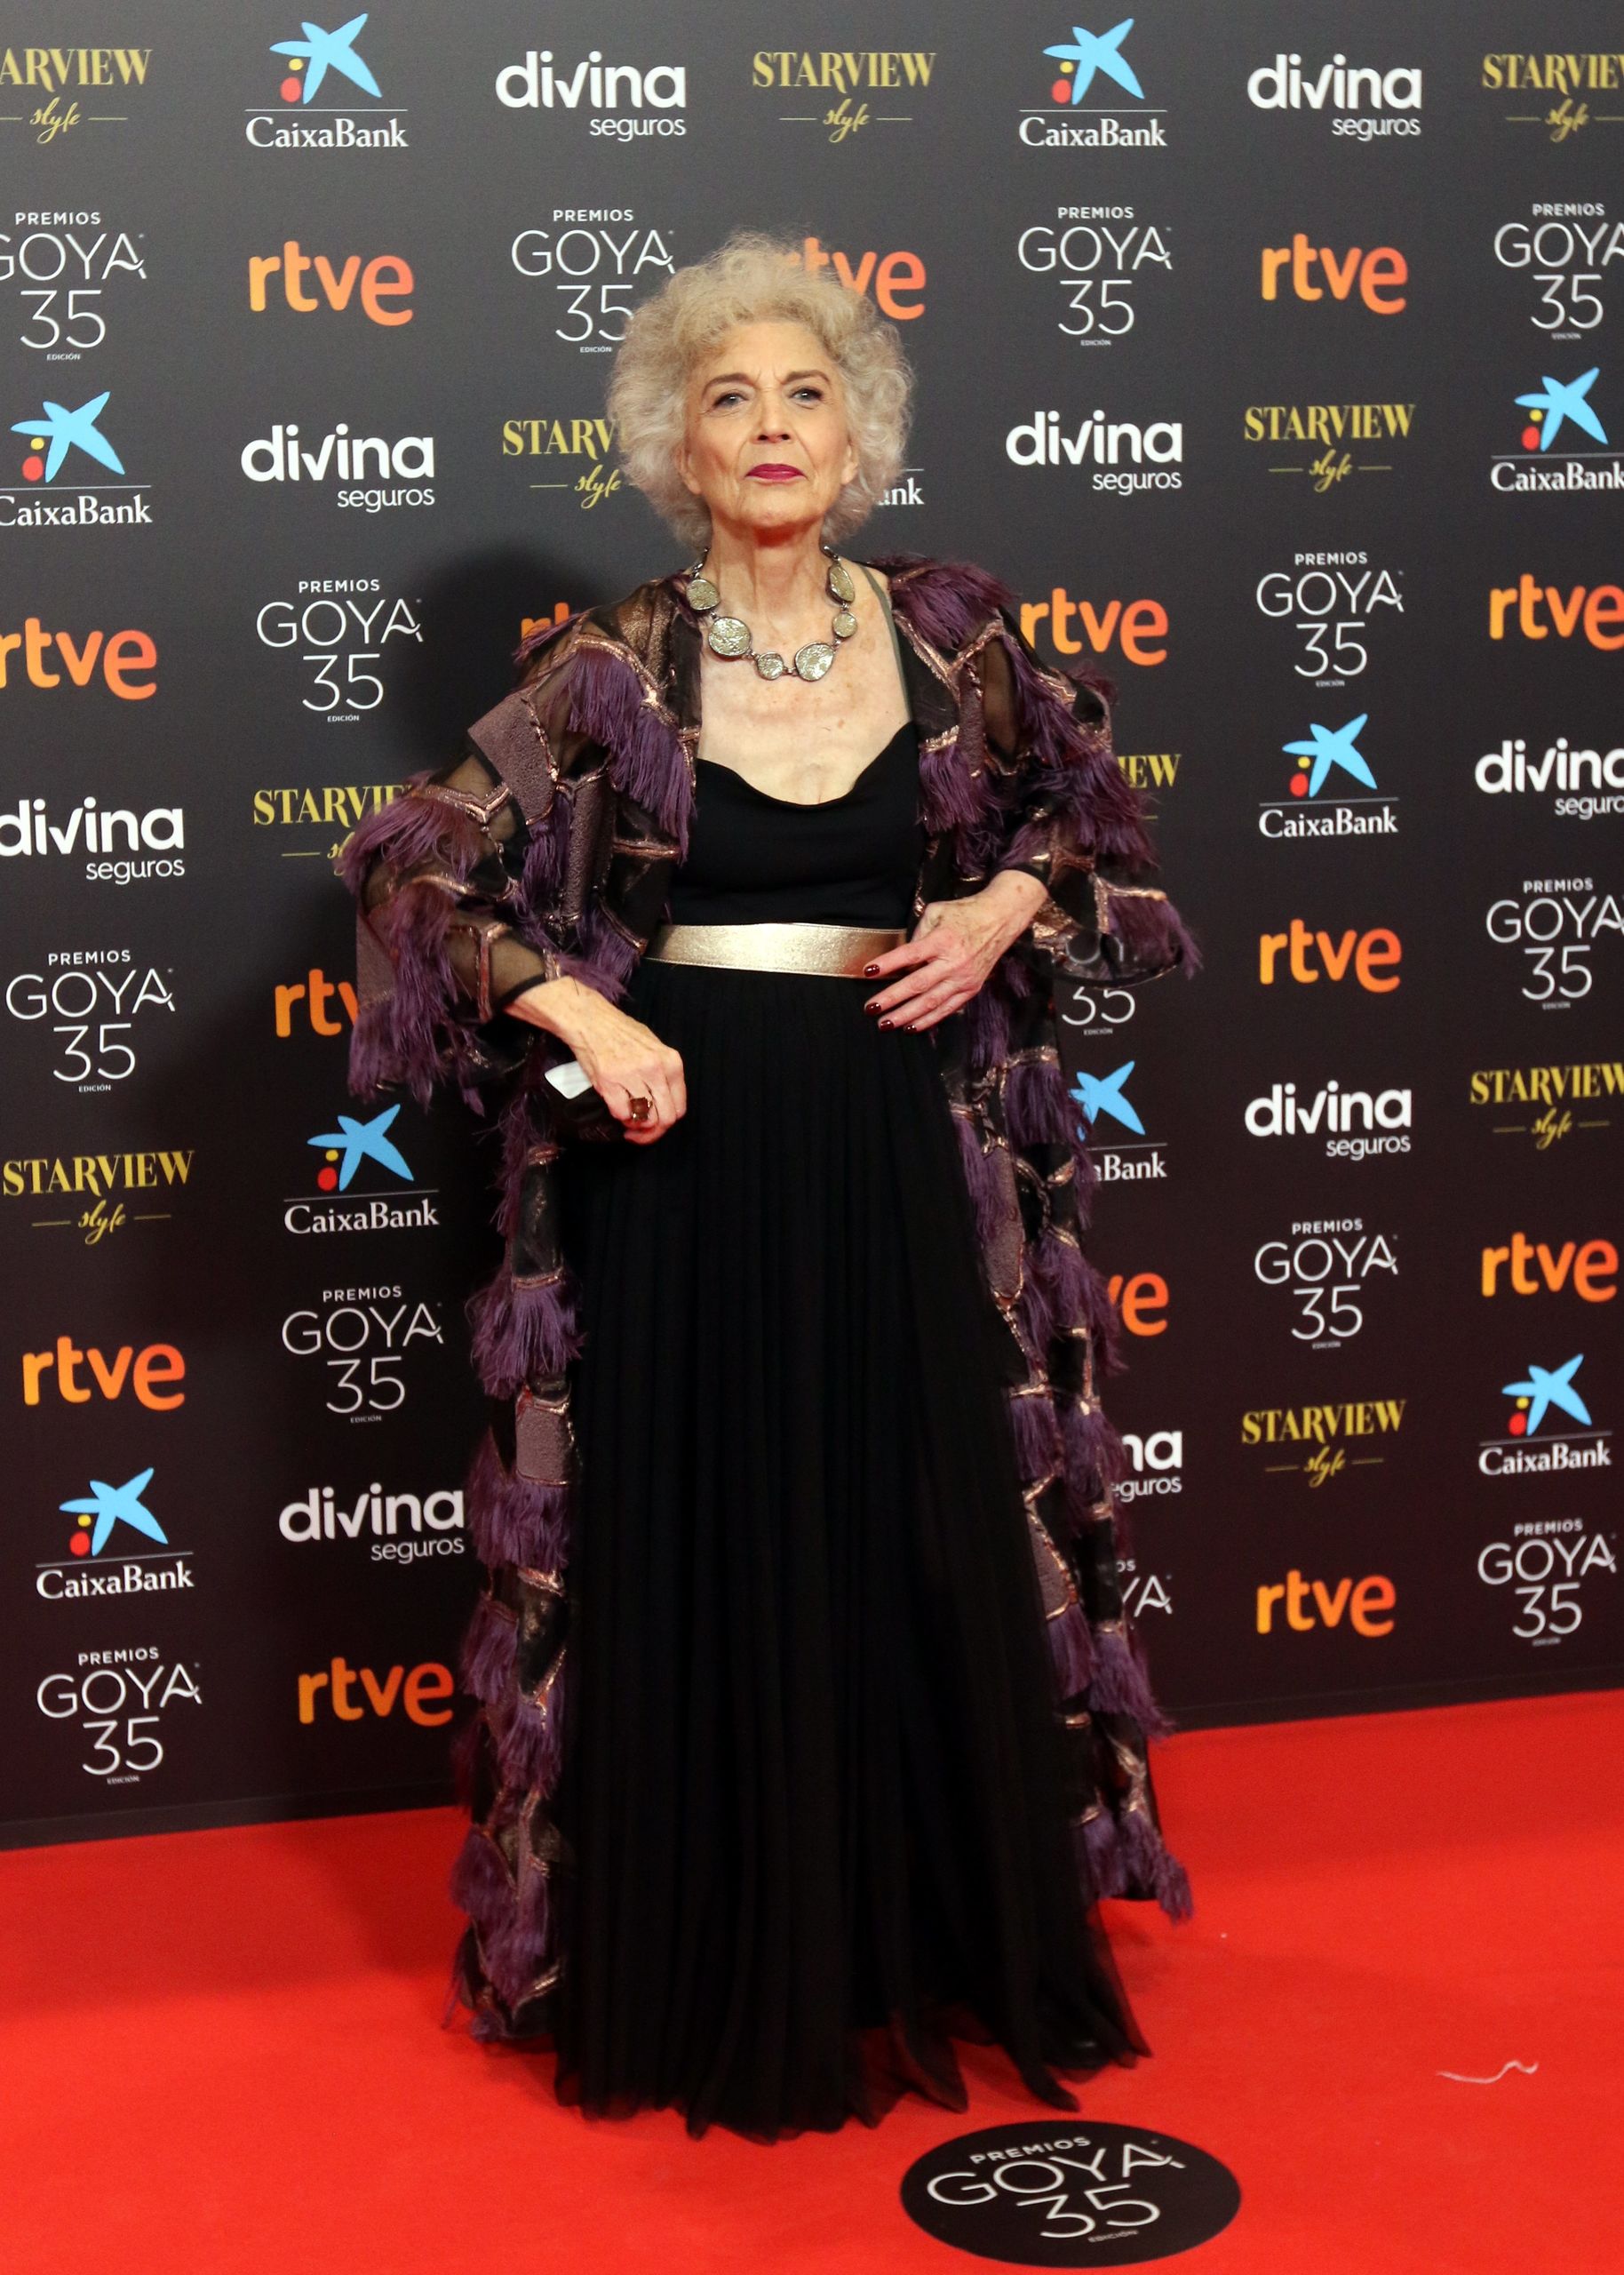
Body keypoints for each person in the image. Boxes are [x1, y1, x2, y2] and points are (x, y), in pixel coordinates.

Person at [340, 230, 1196, 2143]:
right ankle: (722, 1962)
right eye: (727, 397)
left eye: (805, 391)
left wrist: (998, 904)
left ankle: (915, 1938)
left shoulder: (954, 635)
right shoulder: (604, 668)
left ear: (858, 431)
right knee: (705, 1541)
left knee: (913, 1531)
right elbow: (413, 871)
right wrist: (581, 1003)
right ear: (679, 446)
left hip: (905, 1149)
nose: (771, 424)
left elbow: (1093, 824)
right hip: (680, 1167)